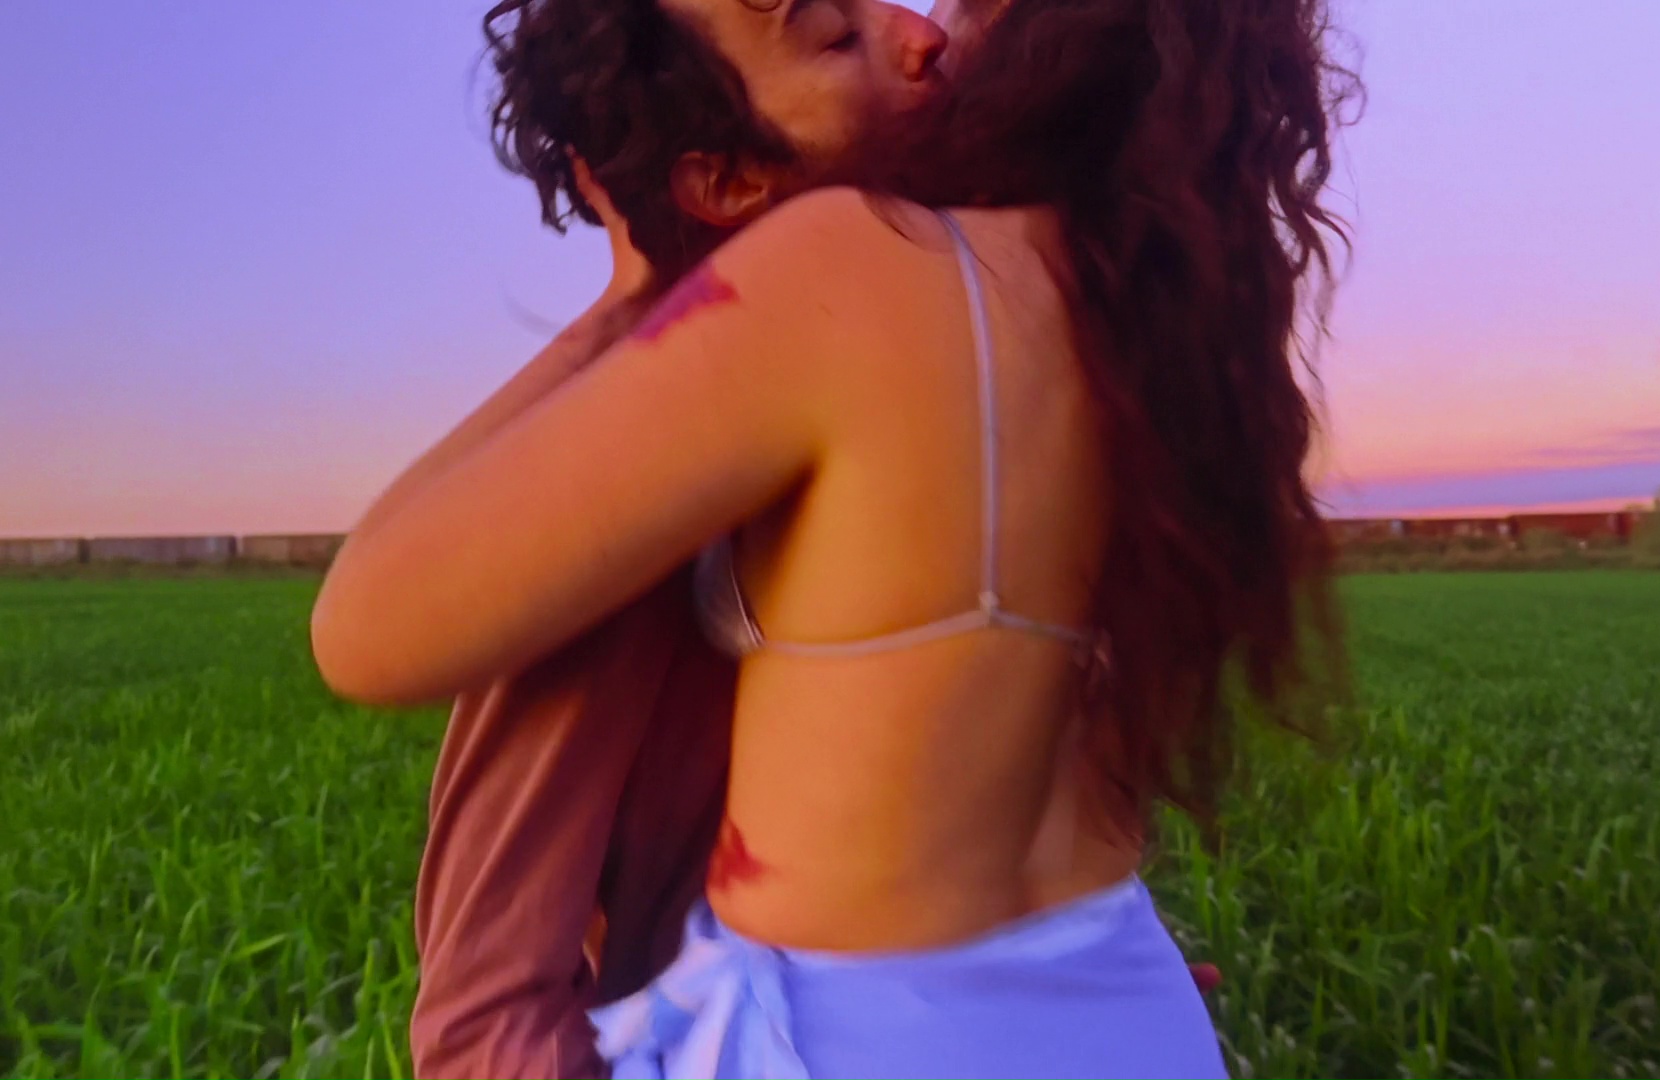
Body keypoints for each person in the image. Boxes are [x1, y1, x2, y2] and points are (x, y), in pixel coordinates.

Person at [317, 0, 1350, 1074]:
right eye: (840, 35)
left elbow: (365, 626)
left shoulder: (851, 264)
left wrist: (630, 304)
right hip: (1124, 1004)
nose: (923, 32)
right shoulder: (1145, 322)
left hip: (863, 1036)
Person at [405, 2, 951, 1076]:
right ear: (731, 182)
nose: (921, 33)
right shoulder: (633, 496)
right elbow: (485, 1012)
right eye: (837, 39)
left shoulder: (949, 369)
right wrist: (631, 305)